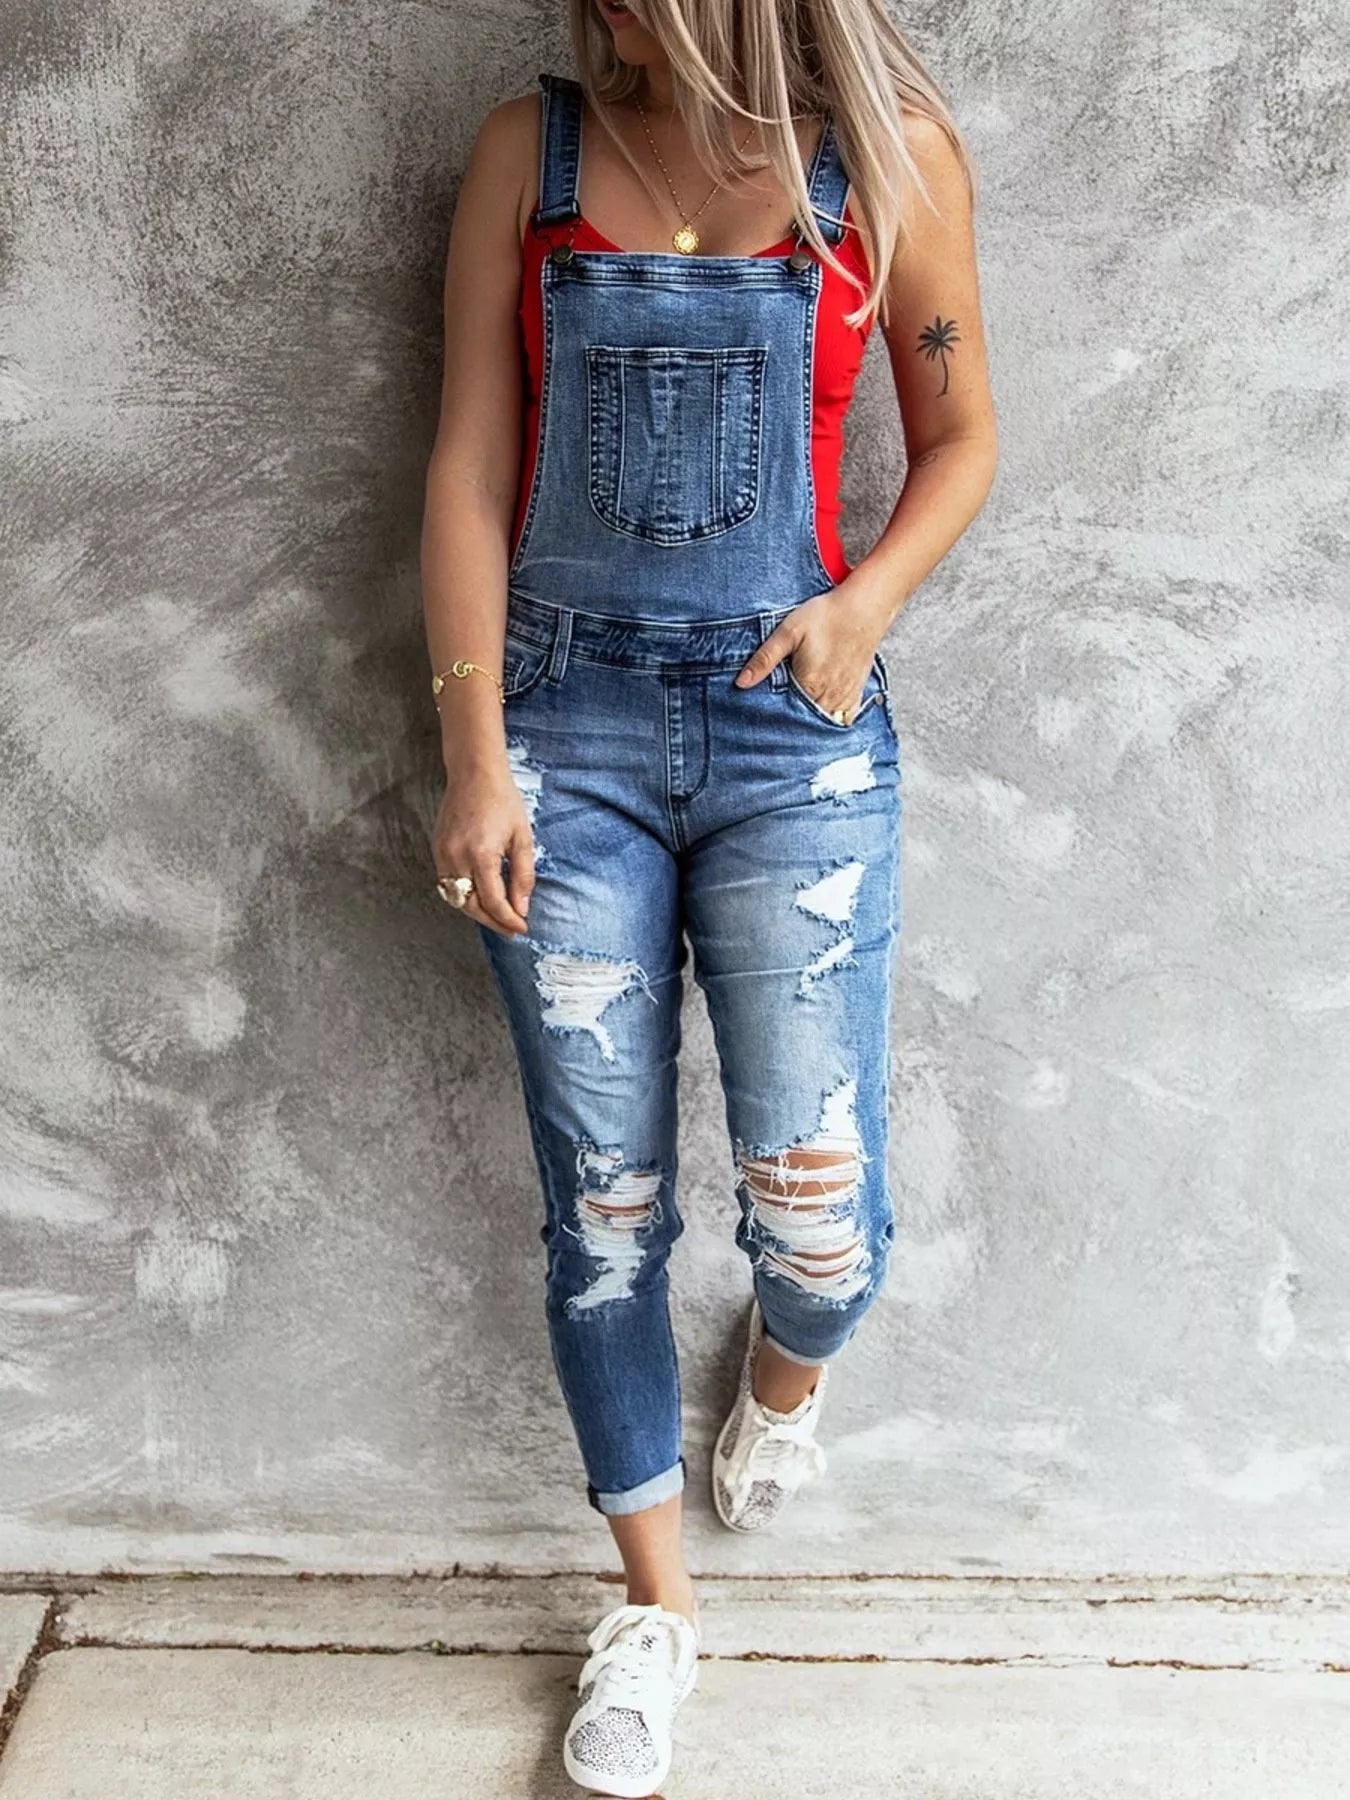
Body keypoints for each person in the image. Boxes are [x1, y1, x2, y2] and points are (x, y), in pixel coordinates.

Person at [419, 1, 996, 1790]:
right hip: (560, 743)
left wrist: (863, 605)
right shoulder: (534, 155)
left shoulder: (885, 162)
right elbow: (465, 465)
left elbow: (962, 436)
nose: (601, 17)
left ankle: (785, 1370)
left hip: (789, 745)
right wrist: (474, 757)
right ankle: (650, 1616)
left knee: (819, 1235)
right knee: (599, 1214)